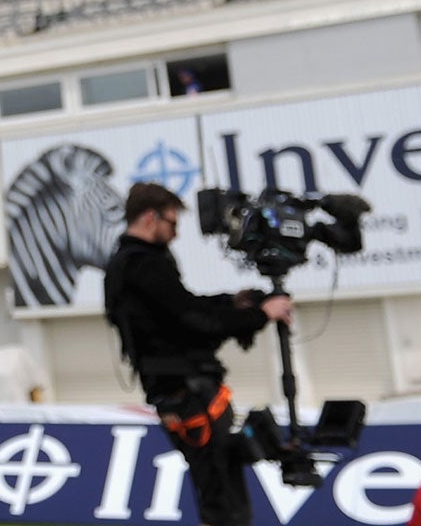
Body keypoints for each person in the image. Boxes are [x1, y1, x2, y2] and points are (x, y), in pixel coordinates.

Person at [103, 182, 292, 526]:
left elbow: (183, 307)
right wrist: (261, 315)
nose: (174, 234)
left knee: (221, 484)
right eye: (172, 224)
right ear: (150, 218)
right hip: (188, 392)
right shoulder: (142, 265)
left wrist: (232, 302)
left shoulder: (128, 264)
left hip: (181, 391)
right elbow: (193, 322)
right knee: (222, 496)